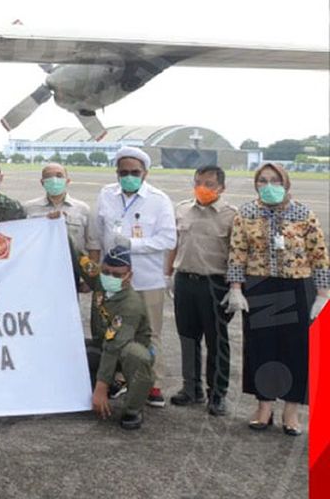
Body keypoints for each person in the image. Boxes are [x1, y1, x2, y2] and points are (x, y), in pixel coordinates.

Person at [224, 162, 328, 435]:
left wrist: (322, 294)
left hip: (297, 287)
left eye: (275, 180)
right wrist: (235, 288)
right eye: (262, 181)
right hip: (261, 287)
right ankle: (264, 407)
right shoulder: (246, 213)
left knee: (296, 349)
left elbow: (319, 255)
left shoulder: (303, 213)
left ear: (286, 183)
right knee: (262, 347)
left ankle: (291, 411)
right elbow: (237, 252)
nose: (269, 186)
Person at [95, 145, 175, 409]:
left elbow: (168, 238)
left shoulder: (159, 199)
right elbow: (98, 233)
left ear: (145, 173)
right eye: (123, 172)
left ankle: (153, 383)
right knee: (114, 331)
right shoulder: (106, 194)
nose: (129, 176)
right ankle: (119, 378)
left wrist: (132, 244)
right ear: (117, 173)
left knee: (150, 333)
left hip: (146, 278)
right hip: (114, 279)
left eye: (135, 172)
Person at [165, 165, 236, 415]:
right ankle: (191, 388)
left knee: (217, 341)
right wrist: (168, 274)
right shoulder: (183, 209)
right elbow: (174, 243)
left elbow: (238, 255)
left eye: (209, 184)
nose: (202, 188)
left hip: (215, 283)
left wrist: (236, 288)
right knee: (187, 337)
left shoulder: (231, 215)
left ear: (222, 188)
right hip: (185, 280)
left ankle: (217, 394)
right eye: (198, 182)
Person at [76, 245, 155, 431]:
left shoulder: (131, 305)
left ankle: (133, 409)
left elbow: (114, 347)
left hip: (125, 354)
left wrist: (100, 388)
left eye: (117, 275)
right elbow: (79, 258)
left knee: (135, 355)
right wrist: (58, 224)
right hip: (102, 347)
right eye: (106, 272)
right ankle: (102, 386)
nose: (110, 277)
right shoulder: (100, 280)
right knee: (70, 349)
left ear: (129, 276)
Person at [23, 162, 100, 334]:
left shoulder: (82, 209)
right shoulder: (28, 208)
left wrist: (90, 278)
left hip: (70, 273)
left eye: (59, 175)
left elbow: (92, 245)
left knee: (68, 321)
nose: (54, 180)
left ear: (68, 180)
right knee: (37, 321)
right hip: (38, 274)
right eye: (49, 176)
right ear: (42, 182)